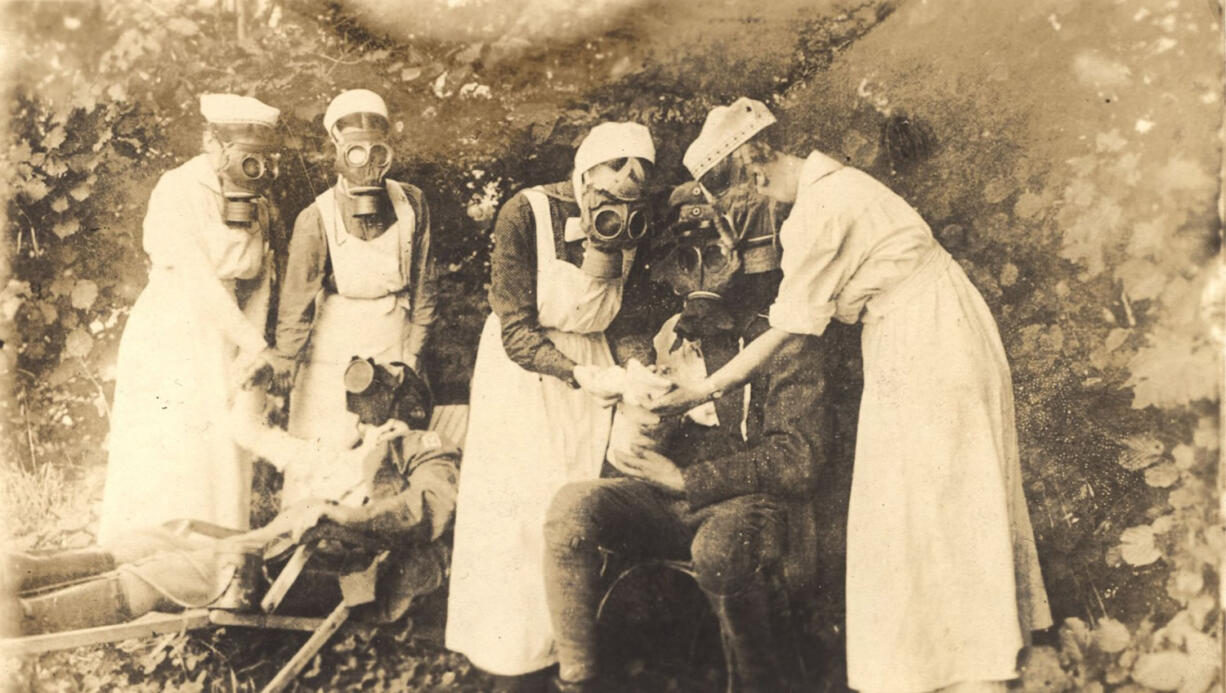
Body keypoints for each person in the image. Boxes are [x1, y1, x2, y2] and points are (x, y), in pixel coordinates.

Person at [650, 98, 1052, 693]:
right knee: (926, 502)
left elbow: (787, 331)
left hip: (930, 341)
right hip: (918, 332)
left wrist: (702, 389)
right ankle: (955, 661)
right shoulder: (836, 185)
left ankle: (975, 665)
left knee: (941, 497)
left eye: (737, 202)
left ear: (755, 171)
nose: (746, 218)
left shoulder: (820, 209)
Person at [542, 182, 831, 693]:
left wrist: (685, 479)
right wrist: (639, 430)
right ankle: (578, 681)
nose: (697, 272)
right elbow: (644, 443)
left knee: (721, 549)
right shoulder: (671, 332)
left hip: (752, 504)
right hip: (672, 501)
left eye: (714, 254)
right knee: (573, 508)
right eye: (684, 256)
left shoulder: (784, 335)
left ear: (747, 256)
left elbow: (799, 458)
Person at [12, 361, 458, 635]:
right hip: (275, 551)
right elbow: (250, 432)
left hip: (321, 570)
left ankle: (24, 617)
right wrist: (254, 387)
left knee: (174, 568)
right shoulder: (339, 455)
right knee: (154, 539)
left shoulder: (423, 447)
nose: (369, 422)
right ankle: (22, 574)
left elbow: (429, 506)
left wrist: (342, 515)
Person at [445, 122, 657, 691]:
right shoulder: (526, 213)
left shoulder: (632, 223)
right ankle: (511, 667)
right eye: (608, 186)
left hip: (594, 377)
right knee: (515, 519)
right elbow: (515, 329)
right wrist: (577, 372)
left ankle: (574, 660)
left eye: (631, 191)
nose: (615, 201)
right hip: (527, 378)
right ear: (586, 173)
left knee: (574, 512)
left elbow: (629, 317)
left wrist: (636, 365)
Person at [99, 94, 282, 543]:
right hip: (175, 329)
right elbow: (198, 281)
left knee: (221, 453)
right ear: (210, 142)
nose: (248, 160)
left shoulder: (257, 201)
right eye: (237, 147)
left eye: (257, 151)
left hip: (228, 333)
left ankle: (214, 572)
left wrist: (251, 347)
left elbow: (260, 279)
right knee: (174, 446)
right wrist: (250, 341)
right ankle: (146, 568)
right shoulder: (178, 188)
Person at [275, 89, 438, 477]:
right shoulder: (316, 217)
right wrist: (285, 364)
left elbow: (425, 287)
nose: (366, 160)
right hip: (334, 346)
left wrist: (412, 357)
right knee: (325, 452)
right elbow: (296, 304)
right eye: (354, 148)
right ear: (336, 147)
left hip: (392, 337)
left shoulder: (411, 204)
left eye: (375, 147)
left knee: (387, 450)